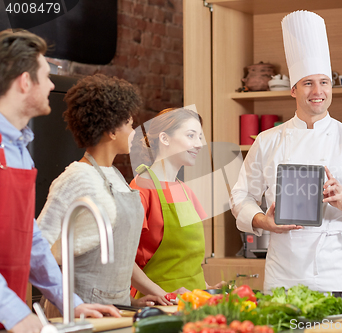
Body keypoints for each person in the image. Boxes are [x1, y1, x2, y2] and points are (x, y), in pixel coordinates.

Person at [231, 10, 342, 295]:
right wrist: (263, 221)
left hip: (335, 270)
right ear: (293, 89)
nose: (317, 91)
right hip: (282, 271)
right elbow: (240, 196)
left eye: (323, 82)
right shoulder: (267, 141)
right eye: (308, 83)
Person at [0, 30, 120, 333]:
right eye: (46, 75)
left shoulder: (19, 150)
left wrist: (71, 302)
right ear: (25, 82)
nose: (53, 84)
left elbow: (30, 239)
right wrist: (15, 314)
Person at [37, 74, 170, 316]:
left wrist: (145, 296)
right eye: (129, 124)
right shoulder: (76, 178)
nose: (134, 132)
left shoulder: (116, 176)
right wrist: (70, 304)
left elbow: (118, 254)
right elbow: (38, 248)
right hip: (80, 311)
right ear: (110, 130)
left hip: (117, 310)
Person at [130, 108, 223, 299]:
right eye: (191, 136)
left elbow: (186, 263)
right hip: (158, 306)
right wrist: (166, 296)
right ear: (164, 138)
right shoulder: (141, 188)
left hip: (192, 303)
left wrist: (207, 290)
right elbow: (123, 261)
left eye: (200, 137)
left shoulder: (186, 190)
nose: (199, 144)